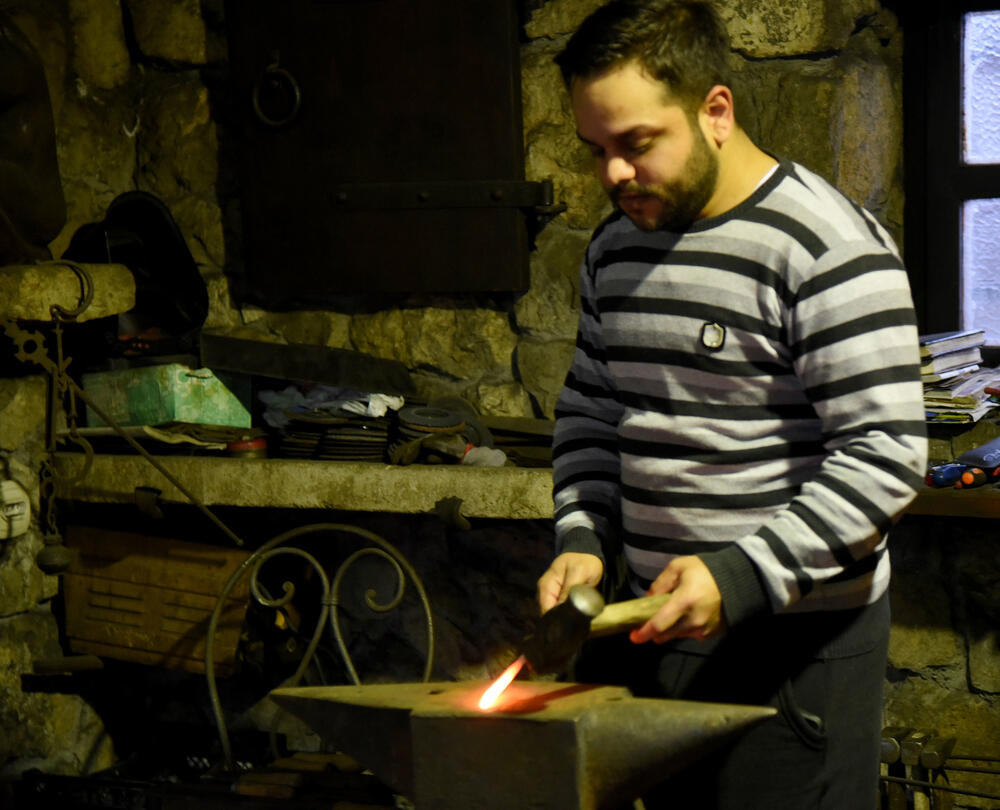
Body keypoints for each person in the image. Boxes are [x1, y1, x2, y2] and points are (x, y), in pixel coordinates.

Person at [534, 1, 928, 807]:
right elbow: (591, 414)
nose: (612, 174)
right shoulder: (613, 249)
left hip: (790, 657)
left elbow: (887, 457)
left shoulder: (826, 248)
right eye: (597, 149)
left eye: (637, 144)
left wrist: (739, 576)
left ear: (716, 111)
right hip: (646, 640)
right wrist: (584, 535)